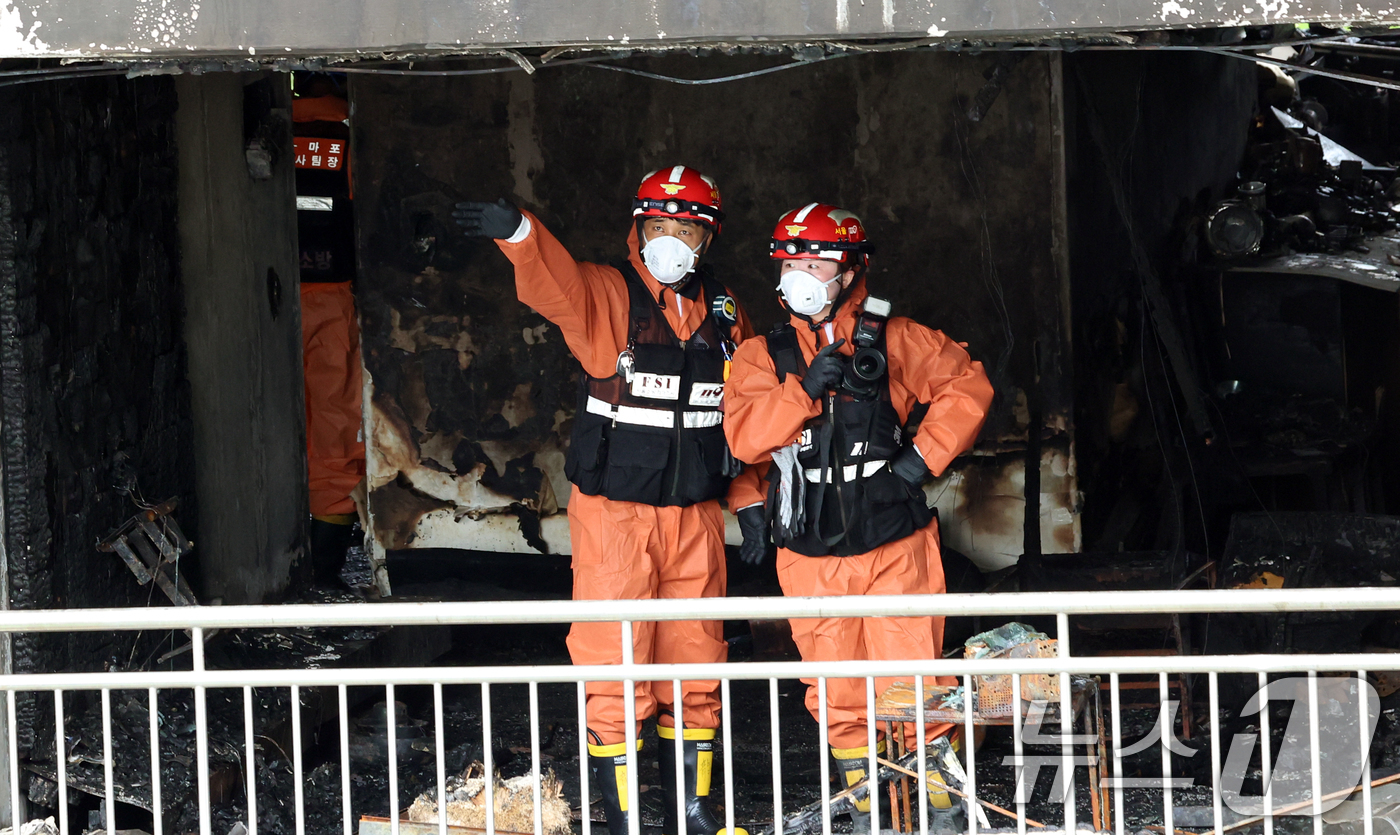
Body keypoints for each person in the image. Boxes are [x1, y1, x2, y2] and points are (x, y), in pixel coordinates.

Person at [454, 167, 765, 835]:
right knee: (615, 663)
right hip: (616, 520)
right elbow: (554, 283)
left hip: (695, 520)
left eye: (685, 227)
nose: (670, 239)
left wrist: (753, 501)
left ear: (705, 238)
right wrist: (518, 232)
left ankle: (696, 814)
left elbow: (743, 416)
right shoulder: (609, 294)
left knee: (697, 657)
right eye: (659, 225)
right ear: (639, 228)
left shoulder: (726, 312)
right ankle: (624, 822)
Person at [722, 202, 994, 833]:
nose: (802, 274)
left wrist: (919, 459)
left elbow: (968, 386)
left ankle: (942, 814)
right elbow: (743, 438)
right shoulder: (762, 355)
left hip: (895, 540)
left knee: (913, 685)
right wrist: (804, 390)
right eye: (792, 261)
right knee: (838, 691)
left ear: (849, 271)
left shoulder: (894, 337)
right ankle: (873, 811)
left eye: (816, 261)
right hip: (810, 548)